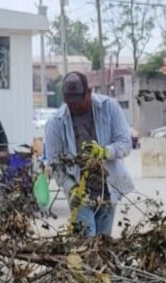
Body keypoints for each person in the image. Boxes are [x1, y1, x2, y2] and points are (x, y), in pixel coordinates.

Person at [44, 72, 133, 237]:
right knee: (85, 243)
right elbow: (55, 164)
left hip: (107, 189)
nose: (74, 107)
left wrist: (105, 152)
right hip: (81, 193)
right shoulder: (55, 124)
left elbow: (126, 143)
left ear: (89, 92)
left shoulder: (109, 107)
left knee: (102, 244)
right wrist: (71, 189)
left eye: (78, 102)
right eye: (70, 103)